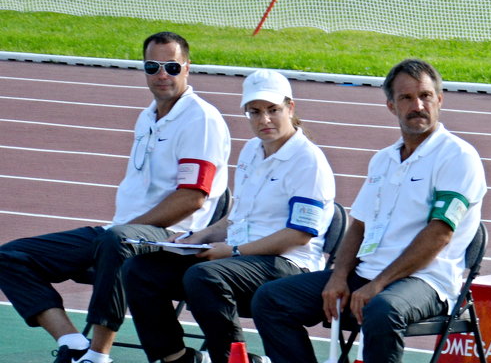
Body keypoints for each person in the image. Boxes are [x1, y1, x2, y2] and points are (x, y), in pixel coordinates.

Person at [0, 31, 230, 363]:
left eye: (171, 66)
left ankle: (97, 355)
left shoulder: (201, 120)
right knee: (12, 257)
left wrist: (127, 230)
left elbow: (192, 198)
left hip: (175, 239)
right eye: (152, 66)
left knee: (117, 242)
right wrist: (122, 231)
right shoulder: (148, 116)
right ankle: (74, 344)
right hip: (122, 232)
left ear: (187, 67)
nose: (162, 74)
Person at [252, 59, 486, 363]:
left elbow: (439, 235)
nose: (417, 105)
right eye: (406, 98)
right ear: (391, 106)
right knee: (271, 299)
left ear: (439, 100)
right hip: (367, 275)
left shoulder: (458, 156)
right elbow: (358, 227)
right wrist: (338, 276)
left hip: (425, 281)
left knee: (382, 309)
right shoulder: (383, 160)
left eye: (425, 96)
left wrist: (379, 284)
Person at [123, 70, 336, 363]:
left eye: (273, 110)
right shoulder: (251, 150)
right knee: (140, 269)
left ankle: (232, 359)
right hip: (238, 259)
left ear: (290, 107)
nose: (264, 120)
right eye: (255, 112)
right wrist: (196, 238)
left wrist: (233, 251)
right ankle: (176, 359)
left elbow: (300, 233)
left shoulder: (308, 160)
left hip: (288, 264)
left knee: (205, 275)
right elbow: (236, 218)